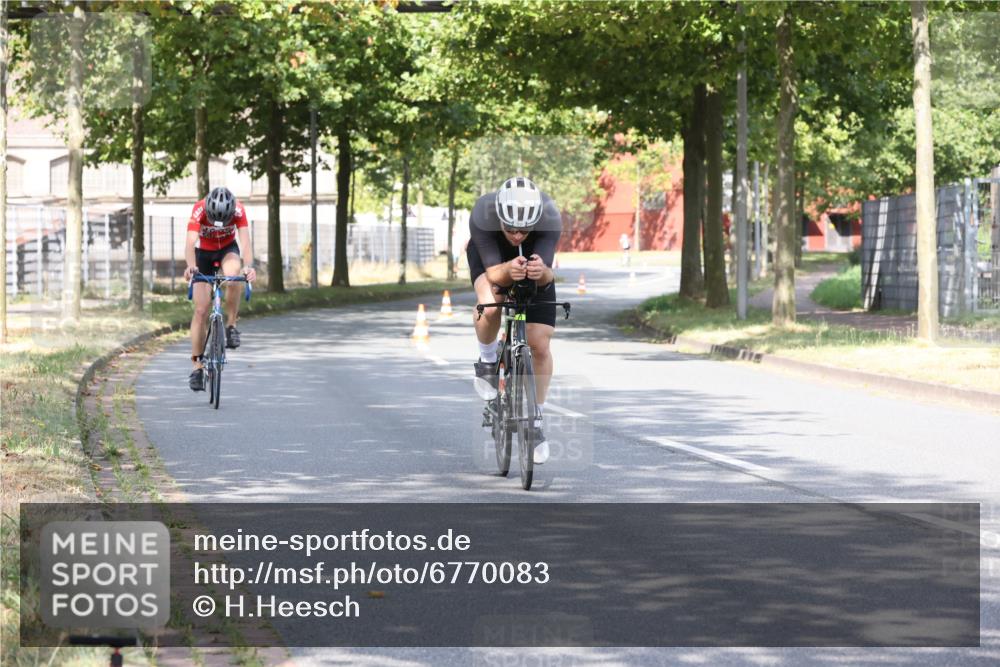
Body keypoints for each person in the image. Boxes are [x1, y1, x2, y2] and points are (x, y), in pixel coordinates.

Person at [468, 177, 561, 464]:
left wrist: (539, 272)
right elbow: (495, 275)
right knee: (492, 305)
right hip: (492, 261)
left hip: (532, 266)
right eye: (511, 229)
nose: (518, 236)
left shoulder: (549, 215)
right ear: (500, 218)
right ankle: (487, 360)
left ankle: (535, 420)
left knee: (540, 345)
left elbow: (547, 275)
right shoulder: (483, 214)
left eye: (524, 230)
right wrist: (509, 268)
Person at [182, 187, 256, 391]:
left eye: (225, 222)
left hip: (227, 250)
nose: (221, 224)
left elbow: (246, 243)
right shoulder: (199, 209)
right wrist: (190, 266)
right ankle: (197, 366)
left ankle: (231, 326)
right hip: (203, 254)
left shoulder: (239, 210)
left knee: (234, 277)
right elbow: (189, 244)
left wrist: (248, 267)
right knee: (200, 310)